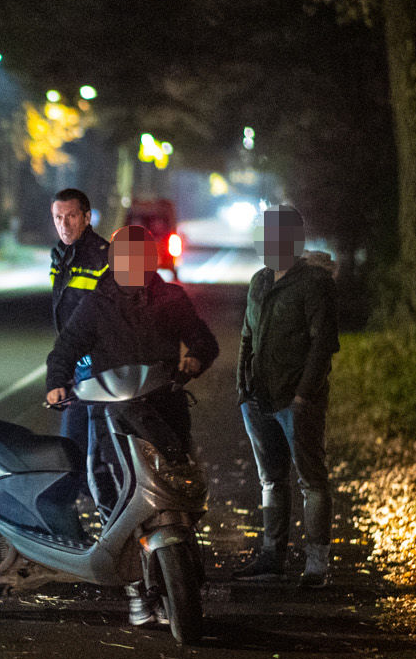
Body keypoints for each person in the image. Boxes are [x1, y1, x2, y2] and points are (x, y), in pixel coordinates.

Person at [45, 224, 219, 625]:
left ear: (150, 260)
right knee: (109, 488)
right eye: (124, 258)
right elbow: (66, 347)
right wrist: (56, 382)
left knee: (179, 492)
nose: (131, 265)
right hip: (111, 417)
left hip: (165, 413)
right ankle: (135, 588)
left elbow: (203, 340)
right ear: (113, 261)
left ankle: (183, 569)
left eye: (139, 258)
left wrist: (195, 358)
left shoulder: (171, 298)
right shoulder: (96, 303)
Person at [234, 204, 339, 587]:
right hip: (258, 399)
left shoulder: (314, 283)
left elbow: (323, 344)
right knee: (271, 480)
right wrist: (242, 389)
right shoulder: (259, 282)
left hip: (296, 401)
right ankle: (271, 557)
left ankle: (316, 565)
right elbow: (247, 336)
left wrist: (303, 396)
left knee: (312, 480)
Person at [49, 188, 110, 450]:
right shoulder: (60, 257)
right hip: (76, 365)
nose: (64, 224)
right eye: (58, 217)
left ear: (87, 217)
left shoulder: (104, 258)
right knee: (74, 446)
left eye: (71, 216)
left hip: (101, 368)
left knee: (99, 445)